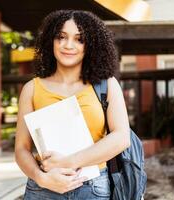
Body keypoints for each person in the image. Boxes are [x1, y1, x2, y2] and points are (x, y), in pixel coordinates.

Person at [15, 10, 130, 200]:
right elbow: (21, 149)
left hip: (92, 189)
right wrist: (41, 178)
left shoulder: (106, 85)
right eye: (61, 37)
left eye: (79, 39)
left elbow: (121, 138)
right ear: (50, 41)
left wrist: (68, 161)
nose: (68, 45)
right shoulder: (31, 89)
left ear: (90, 45)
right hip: (43, 188)